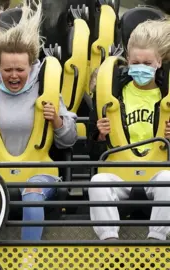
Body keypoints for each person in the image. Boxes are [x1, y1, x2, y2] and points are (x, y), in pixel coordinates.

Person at [0, 0, 78, 241]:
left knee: (32, 194)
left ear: (31, 65)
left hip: (38, 170)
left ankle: (27, 260)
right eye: (8, 70)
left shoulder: (47, 86)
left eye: (20, 70)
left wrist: (55, 120)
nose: (14, 75)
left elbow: (69, 140)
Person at [88, 19, 170, 241]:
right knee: (98, 183)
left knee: (168, 181)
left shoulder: (166, 95)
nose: (141, 67)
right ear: (128, 60)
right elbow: (93, 153)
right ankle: (110, 243)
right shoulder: (110, 94)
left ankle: (156, 241)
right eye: (136, 62)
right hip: (120, 172)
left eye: (147, 63)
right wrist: (99, 135)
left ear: (159, 62)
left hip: (157, 172)